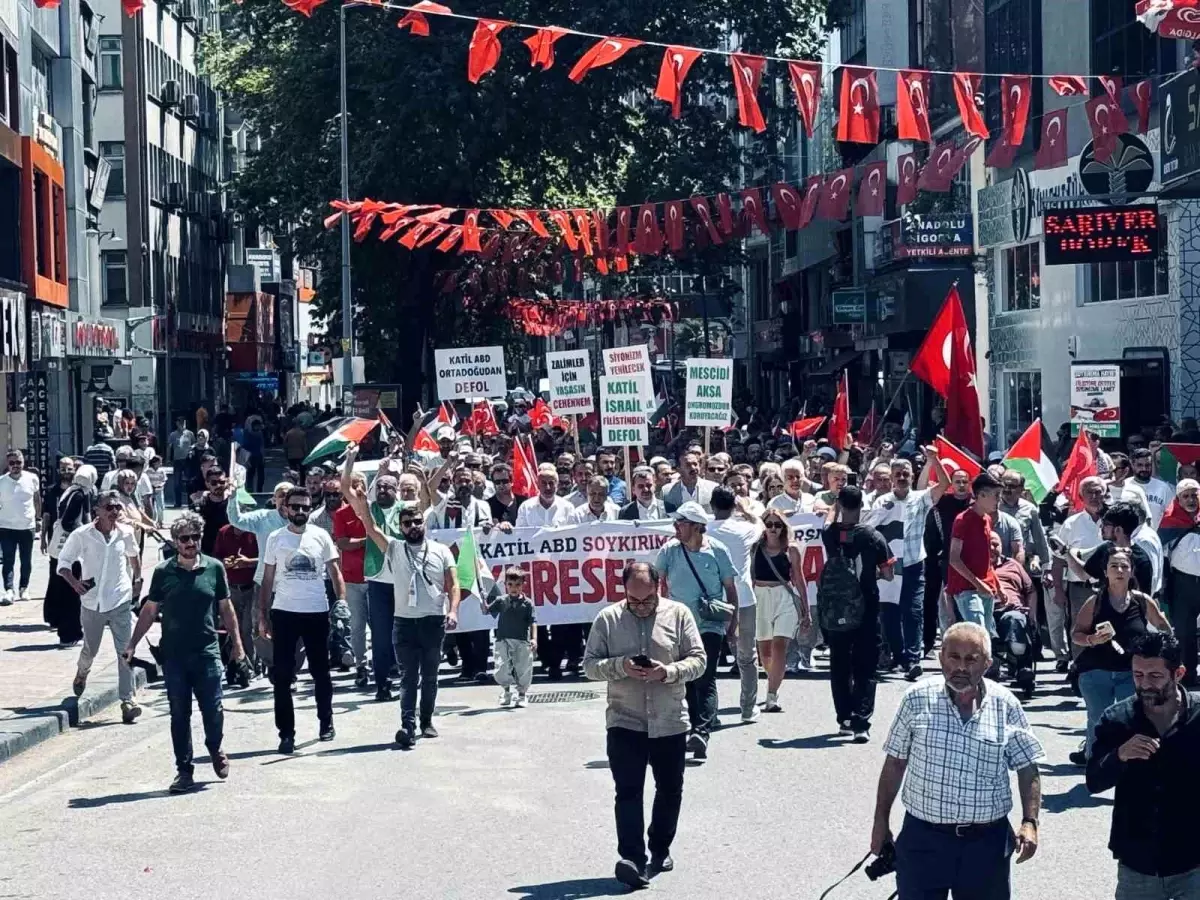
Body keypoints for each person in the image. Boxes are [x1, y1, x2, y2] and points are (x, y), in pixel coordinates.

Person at [870, 622, 1045, 899]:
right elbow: (895, 763)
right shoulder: (916, 699)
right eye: (954, 657)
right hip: (923, 842)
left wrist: (1030, 822)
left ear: (987, 664)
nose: (961, 667)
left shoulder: (1006, 705)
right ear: (941, 658)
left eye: (971, 659)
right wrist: (881, 821)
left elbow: (1027, 768)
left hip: (986, 846)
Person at [583, 562, 706, 890]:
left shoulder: (679, 615)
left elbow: (699, 659)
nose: (641, 607)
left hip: (669, 720)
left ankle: (660, 847)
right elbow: (590, 665)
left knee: (670, 789)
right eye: (634, 602)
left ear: (659, 588)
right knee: (628, 791)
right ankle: (632, 859)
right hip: (625, 718)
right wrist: (620, 666)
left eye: (647, 600)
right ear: (623, 592)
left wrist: (667, 671)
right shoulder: (608, 619)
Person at [125, 511, 244, 793]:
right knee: (179, 714)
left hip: (207, 652)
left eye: (195, 537)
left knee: (213, 709)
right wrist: (132, 644)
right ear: (175, 542)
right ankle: (184, 770)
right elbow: (150, 609)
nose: (191, 542)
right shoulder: (163, 572)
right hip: (175, 655)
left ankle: (215, 748)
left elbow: (226, 608)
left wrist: (238, 645)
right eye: (184, 538)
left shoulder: (214, 568)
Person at [1087, 632, 1200, 898]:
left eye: (1155, 676)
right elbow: (1093, 780)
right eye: (1138, 675)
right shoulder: (1117, 720)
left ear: (1179, 673)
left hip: (1194, 862)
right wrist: (1119, 755)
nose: (1145, 684)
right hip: (1138, 864)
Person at [347, 482, 460, 749]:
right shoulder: (395, 548)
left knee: (430, 676)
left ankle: (426, 721)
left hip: (433, 621)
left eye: (417, 521)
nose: (413, 527)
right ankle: (407, 725)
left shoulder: (441, 551)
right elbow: (371, 529)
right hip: (404, 622)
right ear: (400, 527)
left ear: (424, 522)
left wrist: (453, 610)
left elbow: (453, 584)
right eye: (407, 523)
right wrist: (363, 505)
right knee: (409, 676)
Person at [258, 487, 344, 753]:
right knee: (283, 676)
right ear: (285, 509)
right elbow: (268, 579)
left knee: (321, 673)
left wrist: (340, 603)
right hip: (284, 613)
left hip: (316, 612)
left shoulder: (321, 537)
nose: (300, 512)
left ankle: (326, 722)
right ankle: (286, 733)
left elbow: (335, 573)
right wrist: (263, 615)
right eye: (295, 507)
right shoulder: (275, 538)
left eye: (305, 507)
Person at [1070, 548, 1171, 767]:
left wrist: (1163, 651)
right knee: (1098, 719)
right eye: (1114, 566)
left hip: (1132, 673)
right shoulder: (1094, 602)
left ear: (1132, 571)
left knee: (1131, 719)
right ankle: (1096, 764)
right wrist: (1092, 640)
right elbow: (1076, 634)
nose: (1119, 570)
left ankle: (1128, 764)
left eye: (1124, 566)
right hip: (1096, 671)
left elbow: (1163, 627)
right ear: (1105, 571)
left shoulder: (1142, 601)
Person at [653, 502, 737, 761]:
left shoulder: (718, 551)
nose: (676, 528)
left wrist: (731, 625)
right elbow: (658, 584)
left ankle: (702, 731)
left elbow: (730, 589)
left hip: (710, 624)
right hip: (678, 626)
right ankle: (694, 728)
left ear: (697, 526)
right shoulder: (669, 550)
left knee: (706, 677)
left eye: (681, 523)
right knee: (686, 678)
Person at [58, 491, 143, 724]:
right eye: (109, 507)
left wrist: (138, 580)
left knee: (125, 651)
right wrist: (75, 584)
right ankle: (82, 673)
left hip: (120, 599)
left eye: (117, 507)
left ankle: (128, 701)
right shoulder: (82, 535)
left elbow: (134, 557)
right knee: (90, 649)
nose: (114, 512)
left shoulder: (125, 533)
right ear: (97, 510)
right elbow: (63, 564)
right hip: (92, 602)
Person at [822, 486, 892, 741]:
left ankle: (844, 719)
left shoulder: (830, 534)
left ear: (841, 504)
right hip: (866, 606)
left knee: (839, 664)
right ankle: (862, 722)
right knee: (865, 665)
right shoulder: (873, 536)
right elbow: (888, 573)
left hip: (836, 608)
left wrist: (834, 506)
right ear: (862, 505)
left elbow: (828, 520)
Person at [707, 486, 765, 723]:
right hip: (743, 598)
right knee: (747, 656)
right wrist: (746, 511)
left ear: (712, 507)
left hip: (713, 600)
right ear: (733, 507)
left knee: (708, 655)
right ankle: (748, 708)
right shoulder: (745, 528)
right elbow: (760, 525)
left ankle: (709, 711)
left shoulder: (704, 529)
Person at [750, 508, 809, 710]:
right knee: (764, 651)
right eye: (769, 524)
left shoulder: (791, 549)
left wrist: (806, 610)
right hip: (760, 596)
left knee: (779, 646)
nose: (773, 529)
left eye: (777, 524)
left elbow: (800, 580)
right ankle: (773, 679)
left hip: (783, 596)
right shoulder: (754, 548)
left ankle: (772, 694)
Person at [1052, 476, 1109, 667]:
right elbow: (1059, 559)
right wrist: (1059, 590)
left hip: (1110, 586)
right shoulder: (1071, 524)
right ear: (1081, 496)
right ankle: (1080, 671)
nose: (1094, 496)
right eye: (1089, 492)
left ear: (1105, 494)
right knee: (1079, 629)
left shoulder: (1113, 520)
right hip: (1079, 588)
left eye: (1098, 492)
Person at [947, 472, 1003, 633]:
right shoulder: (962, 520)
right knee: (978, 632)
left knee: (986, 638)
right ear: (981, 495)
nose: (999, 500)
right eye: (996, 495)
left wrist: (998, 587)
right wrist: (979, 584)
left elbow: (987, 559)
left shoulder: (987, 519)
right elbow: (954, 559)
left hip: (986, 586)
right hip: (966, 587)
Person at [333, 470, 371, 689]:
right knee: (357, 626)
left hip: (377, 578)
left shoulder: (374, 510)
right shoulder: (341, 514)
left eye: (360, 484)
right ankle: (361, 665)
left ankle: (385, 663)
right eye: (353, 484)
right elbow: (343, 543)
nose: (357, 489)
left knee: (381, 625)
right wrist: (369, 539)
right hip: (353, 579)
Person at [991, 531, 1038, 696]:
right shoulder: (976, 564)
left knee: (1015, 618)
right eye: (988, 543)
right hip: (988, 611)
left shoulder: (1012, 564)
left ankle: (1021, 666)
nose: (992, 548)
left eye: (995, 544)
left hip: (1012, 611)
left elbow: (1031, 590)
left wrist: (1032, 615)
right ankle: (990, 666)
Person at [483, 567, 537, 707]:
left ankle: (522, 694)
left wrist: (534, 638)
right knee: (501, 667)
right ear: (505, 585)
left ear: (523, 585)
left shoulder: (528, 603)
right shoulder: (501, 601)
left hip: (521, 640)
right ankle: (506, 692)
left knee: (523, 667)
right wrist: (483, 603)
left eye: (517, 585)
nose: (513, 588)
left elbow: (533, 622)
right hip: (503, 639)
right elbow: (487, 610)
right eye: (510, 585)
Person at [212, 519, 259, 679]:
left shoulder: (255, 531)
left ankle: (250, 666)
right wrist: (224, 562)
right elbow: (216, 557)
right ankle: (235, 663)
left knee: (248, 628)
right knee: (234, 628)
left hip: (252, 587)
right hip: (231, 587)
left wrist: (247, 563)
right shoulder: (224, 532)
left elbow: (265, 559)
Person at [1165, 479, 1200, 687]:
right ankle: (1187, 674)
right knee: (1184, 632)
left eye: (1194, 495)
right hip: (1182, 584)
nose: (1191, 500)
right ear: (1178, 499)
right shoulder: (1170, 522)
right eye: (1185, 496)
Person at [0, 450, 41, 604]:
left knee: (26, 560)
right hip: (6, 526)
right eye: (12, 463)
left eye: (18, 462)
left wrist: (38, 519)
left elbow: (37, 499)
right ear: (7, 464)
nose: (15, 466)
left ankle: (24, 587)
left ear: (23, 463)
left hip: (27, 526)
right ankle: (9, 590)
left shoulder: (32, 478)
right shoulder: (1, 482)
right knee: (8, 560)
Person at [516, 464, 575, 528]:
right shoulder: (526, 507)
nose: (548, 487)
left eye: (551, 483)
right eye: (544, 483)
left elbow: (573, 532)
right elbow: (519, 533)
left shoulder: (567, 507)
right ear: (538, 485)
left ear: (557, 485)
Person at [166, 416, 195, 508]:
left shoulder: (190, 434)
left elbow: (194, 444)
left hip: (187, 460)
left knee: (189, 482)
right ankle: (178, 502)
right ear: (177, 423)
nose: (182, 424)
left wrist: (192, 452)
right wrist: (168, 458)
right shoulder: (173, 435)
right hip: (177, 460)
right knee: (177, 482)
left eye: (183, 422)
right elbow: (169, 447)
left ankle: (190, 502)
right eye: (180, 422)